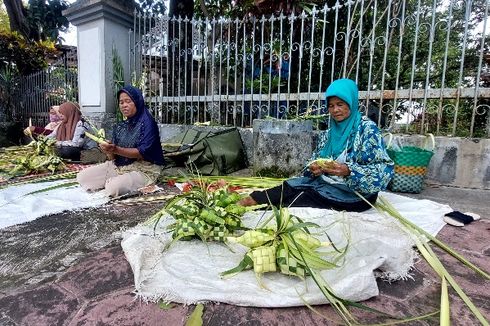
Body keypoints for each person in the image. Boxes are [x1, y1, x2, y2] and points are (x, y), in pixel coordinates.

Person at [239, 78, 394, 212]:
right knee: (290, 186)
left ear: (351, 103)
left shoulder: (367, 130)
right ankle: (253, 199)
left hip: (355, 195)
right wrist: (313, 168)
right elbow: (313, 161)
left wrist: (348, 171)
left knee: (302, 198)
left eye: (340, 104)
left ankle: (259, 209)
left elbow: (384, 171)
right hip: (327, 184)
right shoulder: (328, 133)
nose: (335, 110)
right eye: (331, 106)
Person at [76, 85, 165, 197]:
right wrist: (108, 149)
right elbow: (113, 158)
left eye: (128, 101)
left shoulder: (148, 124)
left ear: (137, 102)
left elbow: (143, 153)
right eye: (121, 102)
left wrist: (116, 149)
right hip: (119, 167)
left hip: (144, 169)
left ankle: (120, 182)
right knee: (83, 178)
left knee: (113, 188)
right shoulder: (120, 127)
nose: (124, 105)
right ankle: (118, 180)